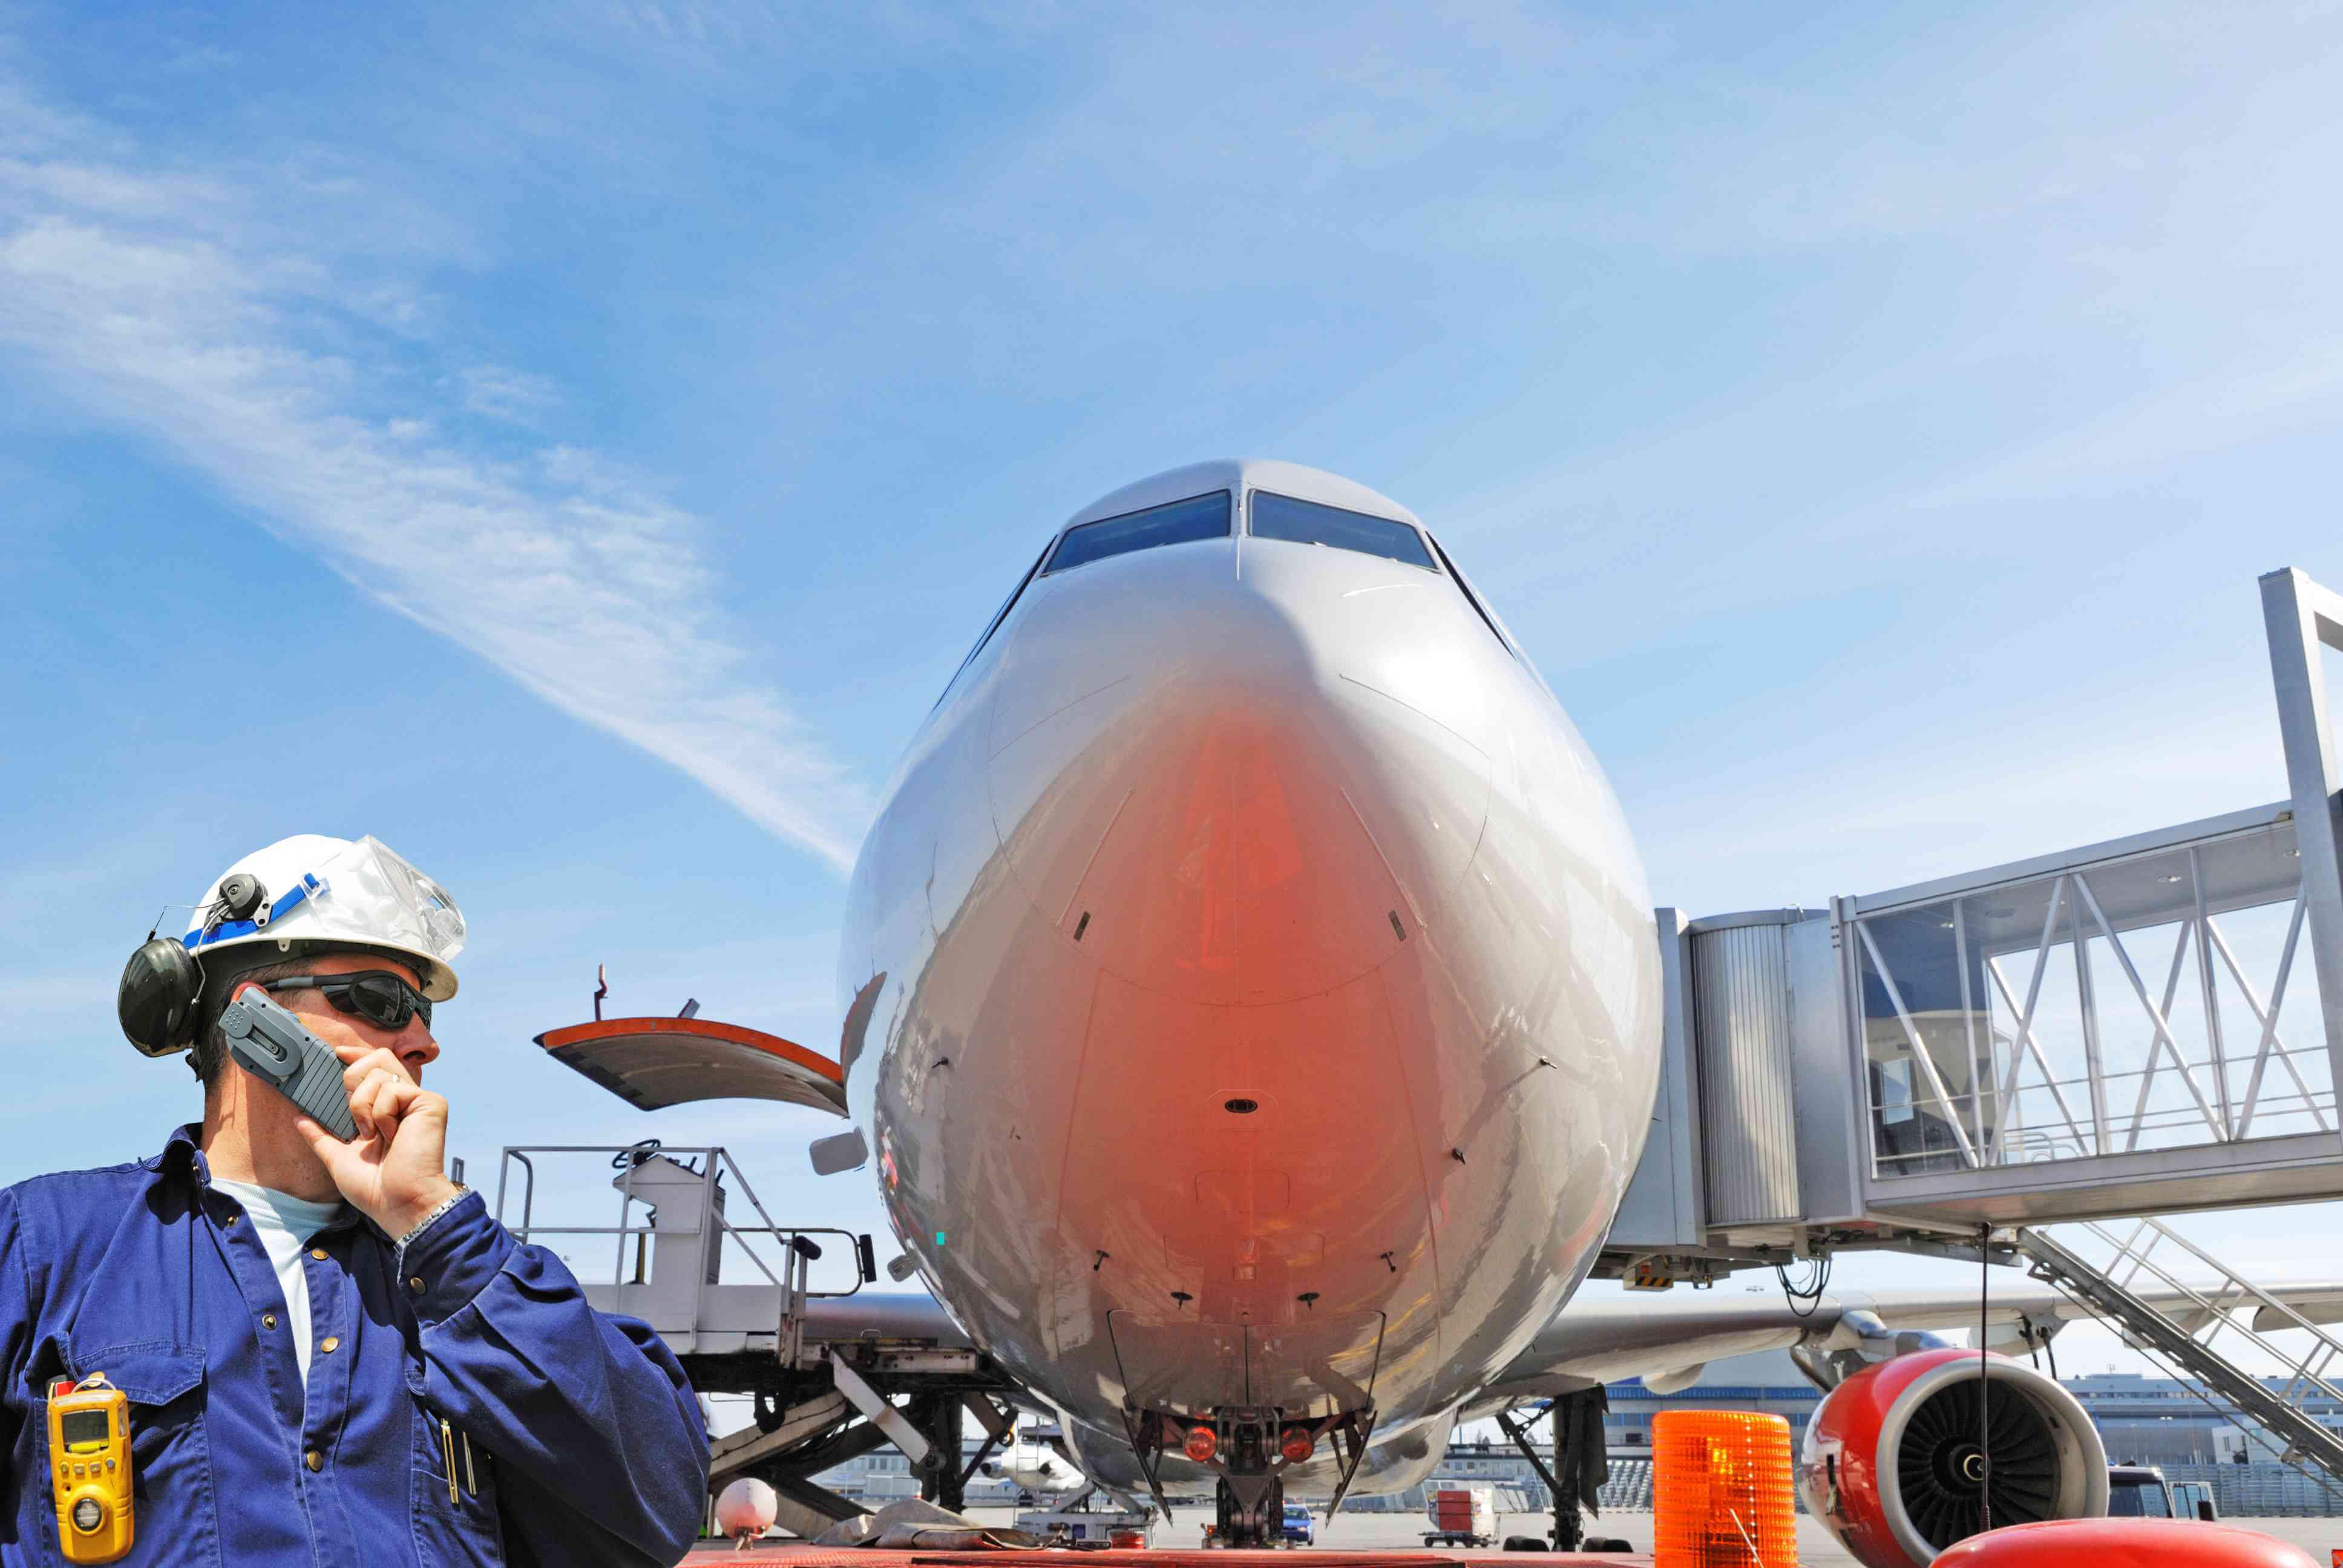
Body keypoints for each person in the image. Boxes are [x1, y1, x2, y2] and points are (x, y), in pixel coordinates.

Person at [0, 834, 709, 1566]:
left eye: (425, 1014)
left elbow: (660, 1512)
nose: (422, 1042)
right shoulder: (42, 1248)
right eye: (382, 999)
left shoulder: (469, 1287)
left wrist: (436, 1230)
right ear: (256, 1021)